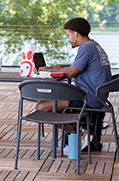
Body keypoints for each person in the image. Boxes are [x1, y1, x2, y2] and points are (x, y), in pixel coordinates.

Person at [36, 17, 112, 152]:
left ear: (75, 33)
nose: (68, 39)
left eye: (68, 35)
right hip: (97, 96)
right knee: (48, 103)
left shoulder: (86, 48)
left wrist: (49, 70)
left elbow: (71, 74)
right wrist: (58, 69)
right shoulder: (94, 46)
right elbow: (74, 69)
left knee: (42, 107)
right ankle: (77, 134)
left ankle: (81, 135)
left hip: (89, 98)